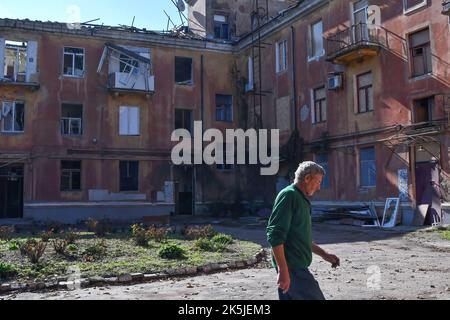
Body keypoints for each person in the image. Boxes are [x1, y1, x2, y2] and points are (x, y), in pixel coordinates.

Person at [266, 161, 340, 300]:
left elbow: (299, 237)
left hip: (294, 268)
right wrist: (283, 271)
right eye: (317, 181)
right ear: (306, 178)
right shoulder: (289, 196)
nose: (318, 187)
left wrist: (324, 254)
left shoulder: (300, 199)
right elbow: (275, 235)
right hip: (293, 269)